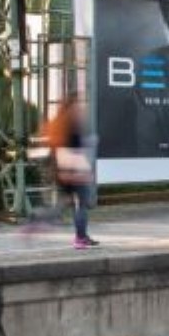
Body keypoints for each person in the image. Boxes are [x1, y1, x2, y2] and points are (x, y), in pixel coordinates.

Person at [45, 95, 98, 249]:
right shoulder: (70, 125)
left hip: (66, 173)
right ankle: (80, 238)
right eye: (77, 105)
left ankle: (82, 236)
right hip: (74, 173)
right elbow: (74, 151)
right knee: (80, 205)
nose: (80, 109)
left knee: (70, 205)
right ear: (70, 107)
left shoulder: (60, 124)